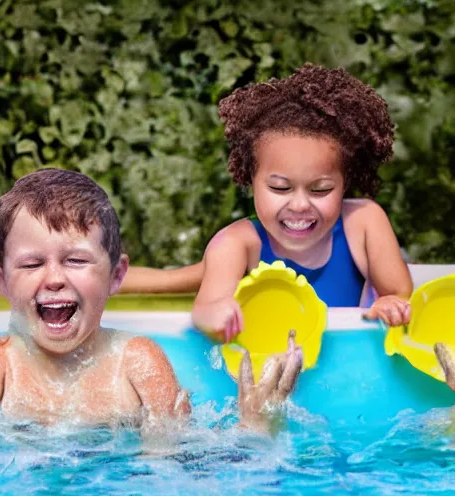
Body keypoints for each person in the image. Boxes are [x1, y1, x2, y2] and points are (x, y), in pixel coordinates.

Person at [0, 168, 302, 447]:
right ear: (2, 281)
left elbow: (179, 461)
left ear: (116, 276)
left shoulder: (136, 362)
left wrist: (251, 431)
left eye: (76, 260)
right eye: (32, 264)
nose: (53, 279)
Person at [121, 64, 414, 340]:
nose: (300, 205)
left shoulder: (362, 222)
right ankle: (96, 276)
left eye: (321, 190)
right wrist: (215, 314)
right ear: (251, 179)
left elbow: (399, 292)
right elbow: (206, 307)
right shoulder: (236, 244)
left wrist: (392, 305)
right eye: (280, 187)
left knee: (177, 280)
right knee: (172, 282)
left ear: (344, 182)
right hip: (250, 289)